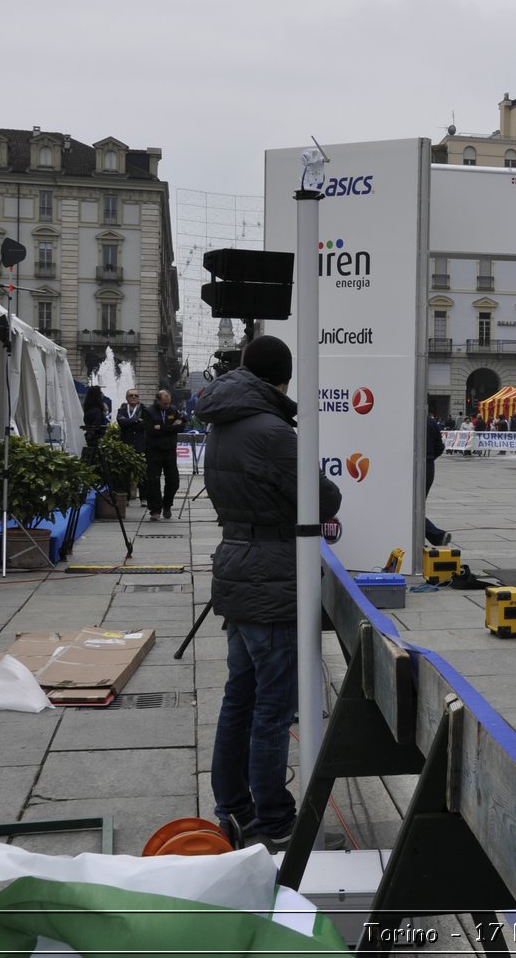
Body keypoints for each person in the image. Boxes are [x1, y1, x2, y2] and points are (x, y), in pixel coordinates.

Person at [198, 334, 342, 851]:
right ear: (281, 377)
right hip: (272, 574)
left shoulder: (222, 422)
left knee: (239, 695)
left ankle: (232, 807)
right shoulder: (271, 430)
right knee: (272, 707)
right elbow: (323, 497)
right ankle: (273, 818)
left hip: (237, 565)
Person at [145, 389, 186, 519]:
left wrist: (162, 427)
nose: (166, 406)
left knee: (173, 481)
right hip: (154, 451)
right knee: (153, 481)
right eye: (164, 404)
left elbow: (181, 426)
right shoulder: (149, 411)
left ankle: (167, 504)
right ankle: (155, 509)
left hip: (169, 450)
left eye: (168, 403)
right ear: (158, 401)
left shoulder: (173, 410)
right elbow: (151, 430)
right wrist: (170, 428)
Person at [424, 413, 450, 545]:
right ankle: (435, 536)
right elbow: (440, 447)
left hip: (410, 467)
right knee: (416, 507)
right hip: (428, 468)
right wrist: (428, 459)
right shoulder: (431, 422)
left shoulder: (407, 420)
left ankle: (437, 535)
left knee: (406, 508)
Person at [82, 386, 109, 456]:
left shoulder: (88, 409)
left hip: (90, 437)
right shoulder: (97, 411)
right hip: (97, 438)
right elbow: (96, 424)